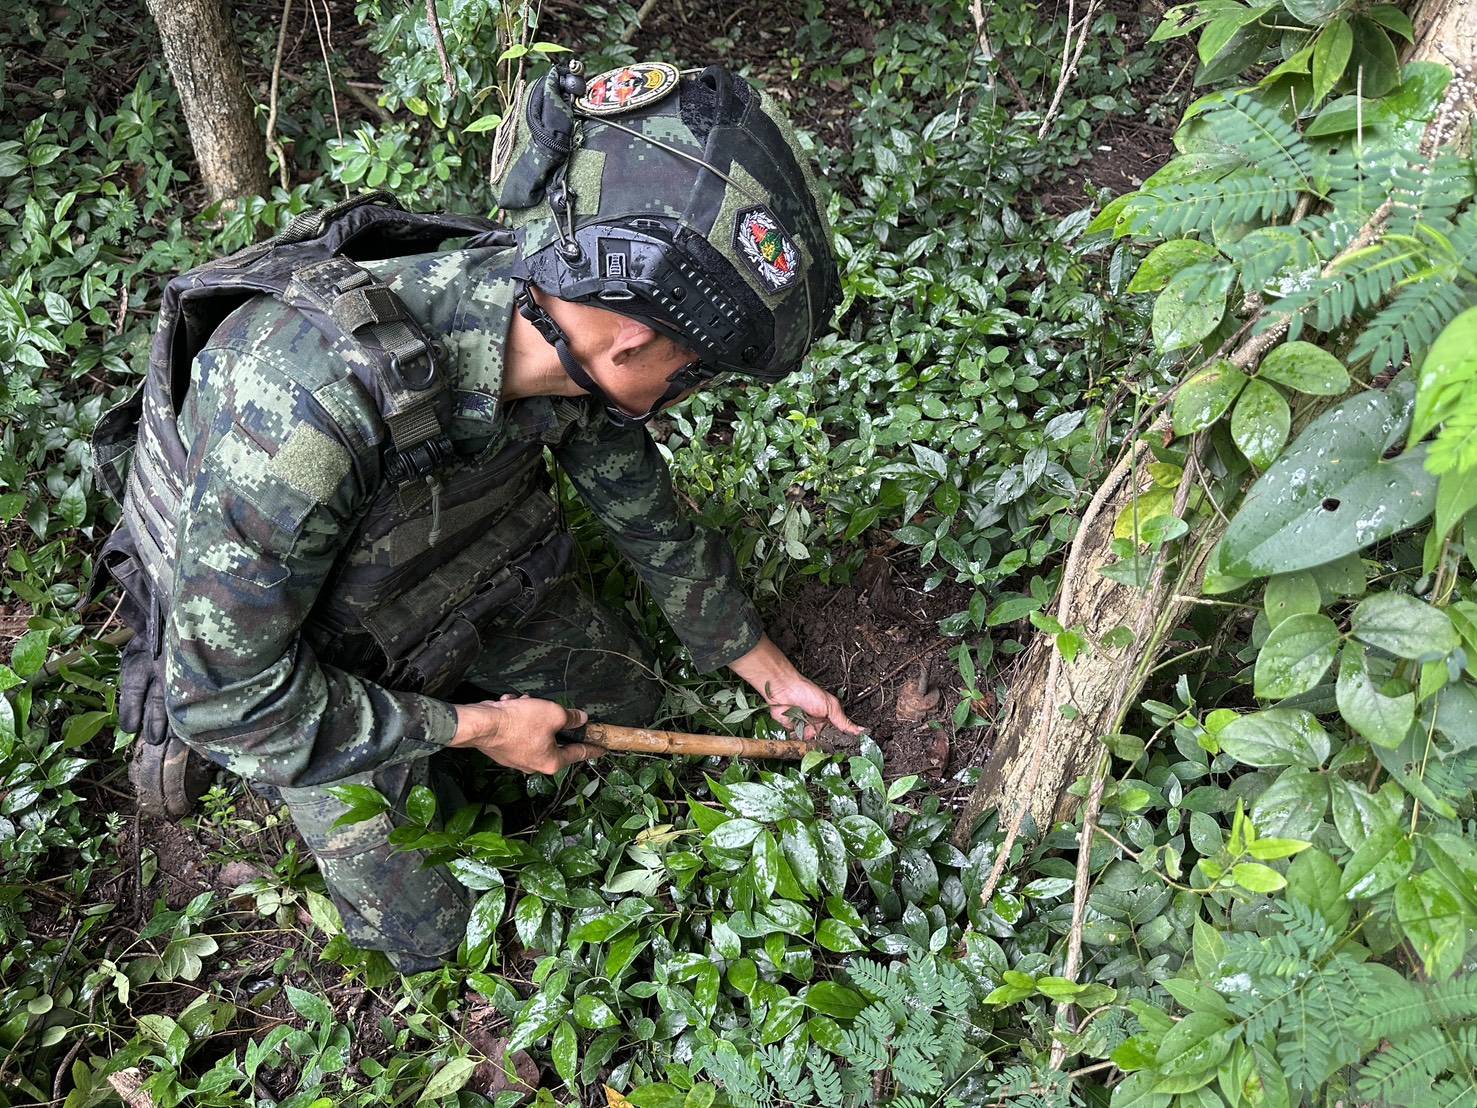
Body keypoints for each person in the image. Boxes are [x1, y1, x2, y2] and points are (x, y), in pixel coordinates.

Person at [99, 60, 859, 972]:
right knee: (443, 942)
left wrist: (768, 672)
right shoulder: (303, 410)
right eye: (692, 372)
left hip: (455, 586)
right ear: (630, 343)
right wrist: (484, 729)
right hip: (307, 661)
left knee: (632, 710)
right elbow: (224, 700)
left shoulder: (556, 327)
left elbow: (647, 519)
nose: (688, 393)